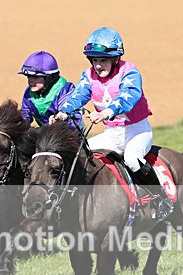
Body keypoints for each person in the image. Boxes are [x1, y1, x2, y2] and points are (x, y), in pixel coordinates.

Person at [53, 27, 172, 219]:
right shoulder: (88, 76)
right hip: (112, 135)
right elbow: (79, 96)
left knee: (133, 159)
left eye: (103, 60)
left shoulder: (130, 72)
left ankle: (161, 198)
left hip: (137, 132)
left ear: (115, 59)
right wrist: (64, 113)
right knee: (81, 155)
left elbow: (128, 97)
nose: (98, 66)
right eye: (95, 60)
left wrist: (107, 113)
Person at [18, 50, 84, 130]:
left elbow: (70, 123)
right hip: (46, 136)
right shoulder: (28, 93)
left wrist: (41, 130)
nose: (30, 80)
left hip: (71, 134)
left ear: (49, 78)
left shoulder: (65, 90)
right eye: (28, 77)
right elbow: (25, 118)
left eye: (35, 77)